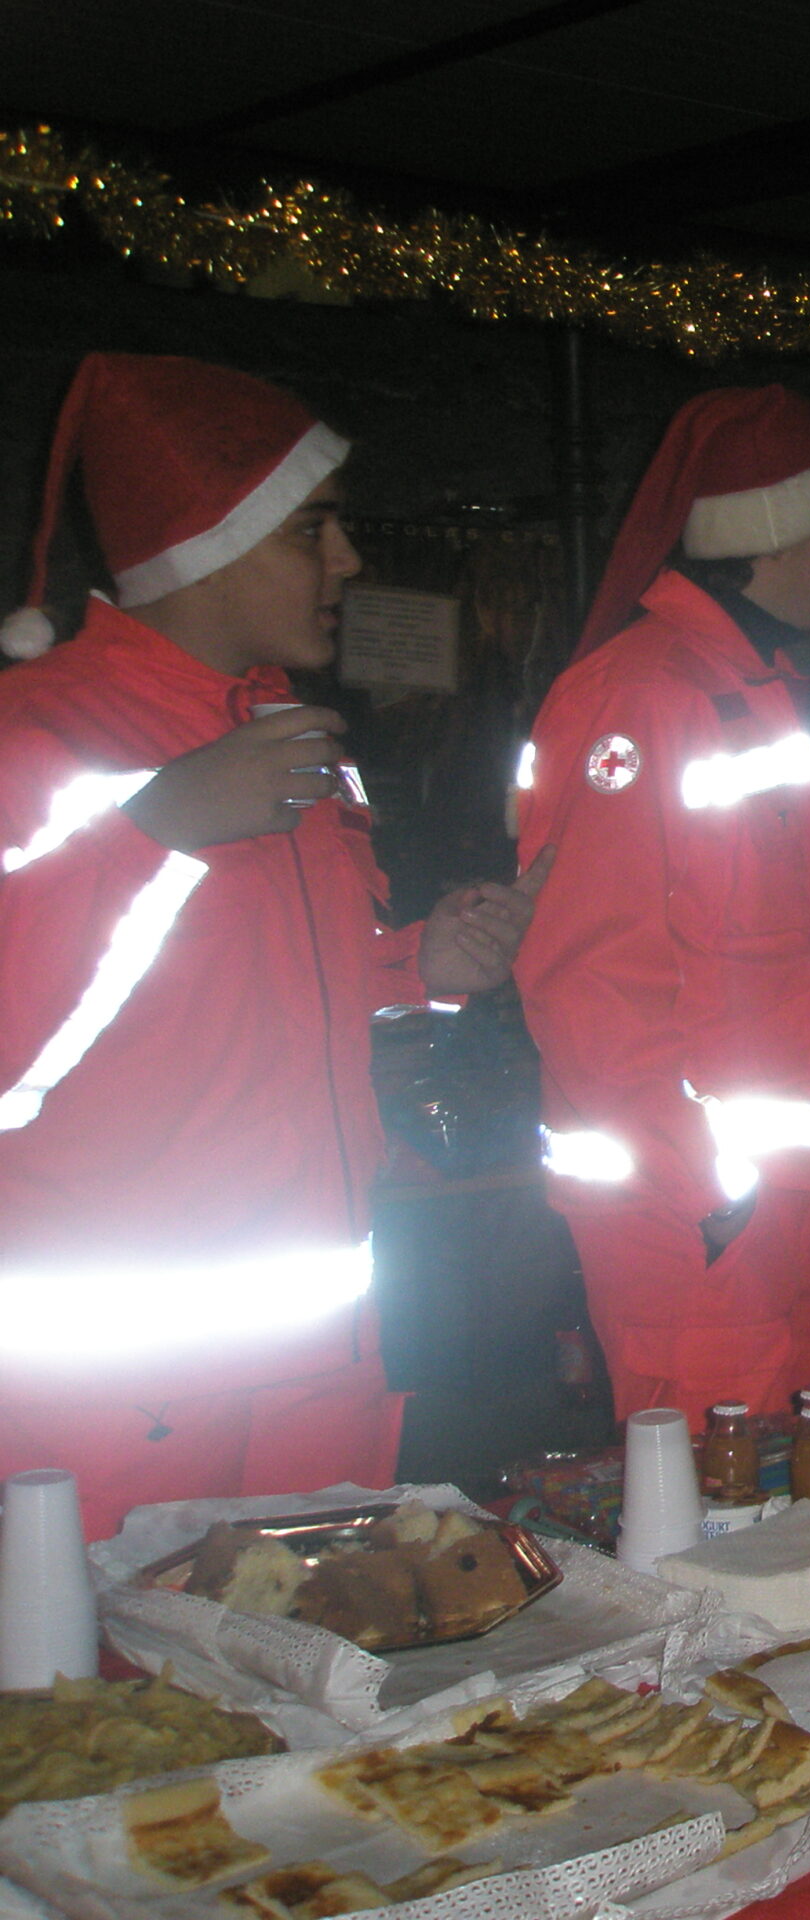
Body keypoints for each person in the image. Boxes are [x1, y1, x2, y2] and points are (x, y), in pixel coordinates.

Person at [0, 352, 546, 1538]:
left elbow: (285, 1009)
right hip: (115, 1398)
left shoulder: (290, 734)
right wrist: (154, 834)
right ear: (208, 543)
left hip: (323, 1360)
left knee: (318, 1696)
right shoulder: (34, 738)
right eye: (315, 528)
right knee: (126, 1719)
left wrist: (422, 972)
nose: (348, 560)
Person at [513, 386, 810, 1424]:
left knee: (762, 1514)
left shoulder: (744, 689)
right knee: (720, 1529)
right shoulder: (647, 696)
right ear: (769, 537)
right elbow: (591, 976)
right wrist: (709, 1192)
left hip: (751, 1210)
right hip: (696, 1218)